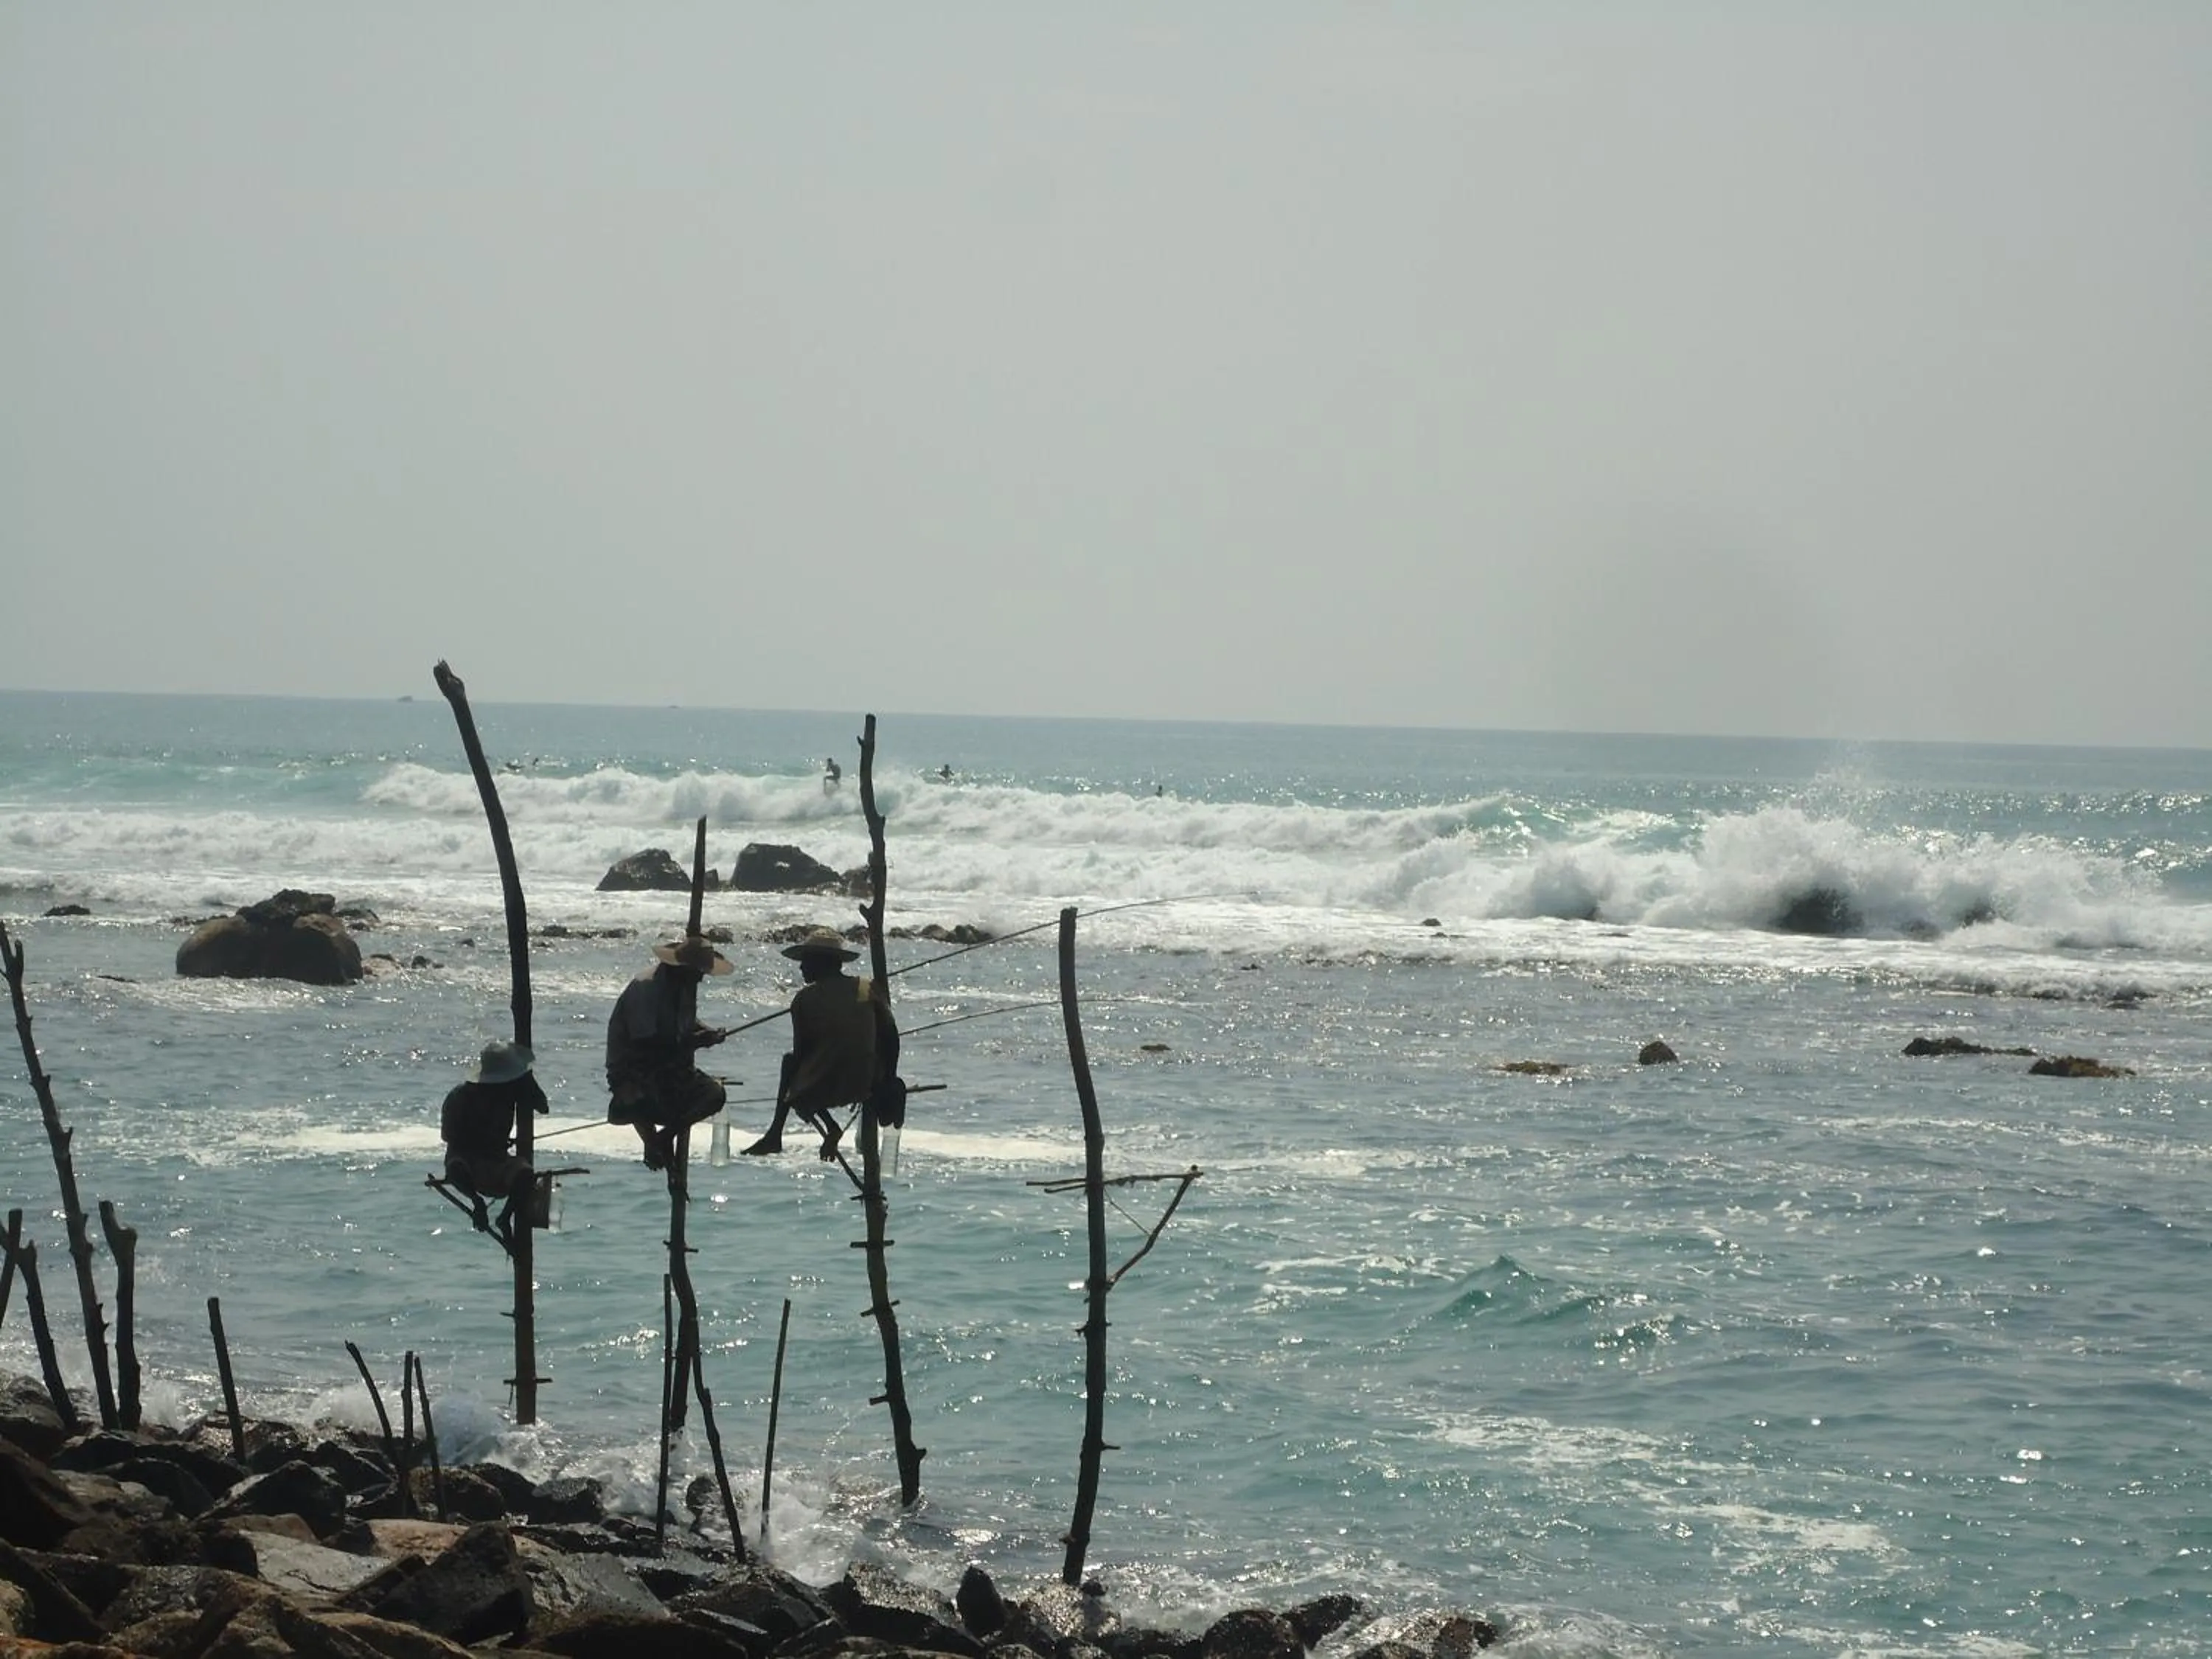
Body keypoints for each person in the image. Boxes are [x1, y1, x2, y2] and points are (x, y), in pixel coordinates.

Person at [742, 927, 899, 1159]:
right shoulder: (867, 987)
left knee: (790, 1070)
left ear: (821, 963)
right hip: (867, 1081)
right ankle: (789, 1133)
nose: (801, 967)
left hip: (828, 1088)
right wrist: (888, 1078)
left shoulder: (804, 999)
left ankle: (777, 1133)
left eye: (806, 961)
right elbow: (891, 1038)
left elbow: (801, 1052)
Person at [606, 935, 733, 1172]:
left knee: (715, 1094)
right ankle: (656, 1142)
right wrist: (696, 1043)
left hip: (671, 1067)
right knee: (644, 1097)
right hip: (635, 1072)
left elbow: (684, 1021)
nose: (701, 979)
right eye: (698, 973)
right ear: (681, 969)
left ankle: (665, 1137)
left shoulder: (682, 986)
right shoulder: (648, 988)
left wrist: (708, 1033)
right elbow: (648, 1046)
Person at [441, 1039, 546, 1245]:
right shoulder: (460, 1096)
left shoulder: (511, 1092)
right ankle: (477, 1201)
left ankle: (505, 1217)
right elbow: (449, 1137)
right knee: (455, 1165)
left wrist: (527, 1080)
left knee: (525, 1173)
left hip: (498, 1161)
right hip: (468, 1161)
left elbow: (543, 1106)